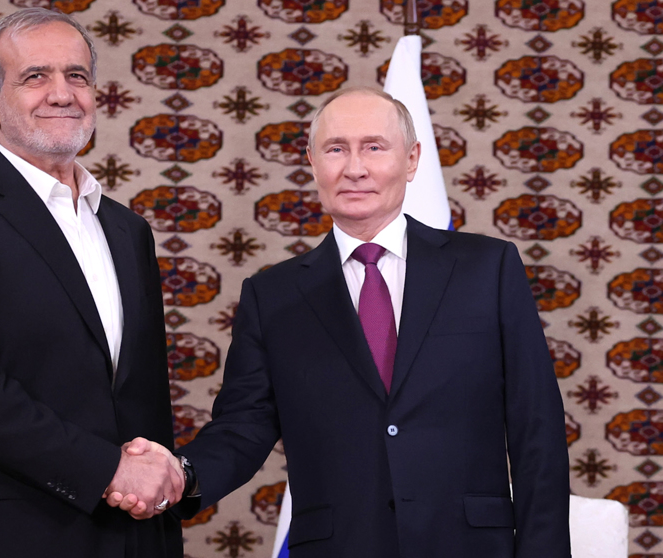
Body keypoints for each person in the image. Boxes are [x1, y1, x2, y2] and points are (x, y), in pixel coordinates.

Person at [113, 87, 570, 557]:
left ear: (412, 160)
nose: (355, 168)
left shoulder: (487, 268)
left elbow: (537, 429)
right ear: (312, 162)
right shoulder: (273, 297)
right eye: (336, 149)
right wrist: (180, 473)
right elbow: (243, 428)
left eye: (374, 147)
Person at [0, 8, 183, 557]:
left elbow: (143, 401)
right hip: (1, 536)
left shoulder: (128, 230)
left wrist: (157, 510)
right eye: (35, 76)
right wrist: (107, 469)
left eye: (77, 76)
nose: (62, 93)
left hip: (129, 537)